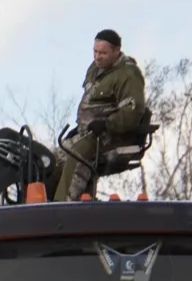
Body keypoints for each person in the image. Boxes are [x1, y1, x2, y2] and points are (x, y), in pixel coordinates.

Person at [50, 29, 146, 202]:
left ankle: (62, 205)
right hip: (89, 133)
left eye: (103, 53)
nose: (97, 57)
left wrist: (107, 124)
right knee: (51, 159)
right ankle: (43, 201)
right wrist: (79, 128)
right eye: (95, 51)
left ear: (116, 51)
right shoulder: (94, 69)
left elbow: (133, 111)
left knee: (77, 154)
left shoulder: (128, 74)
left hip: (113, 135)